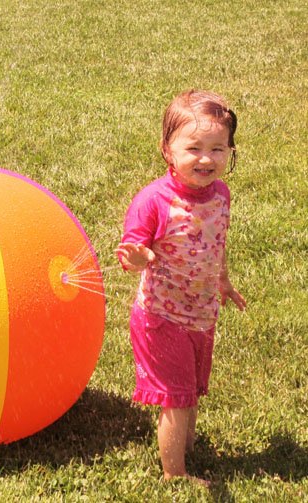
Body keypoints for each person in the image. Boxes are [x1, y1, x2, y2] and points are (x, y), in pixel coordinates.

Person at [116, 89, 247, 485]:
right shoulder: (154, 201)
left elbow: (216, 241)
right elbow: (129, 250)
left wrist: (222, 280)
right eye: (193, 148)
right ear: (166, 150)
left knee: (190, 388)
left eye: (218, 148)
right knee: (175, 397)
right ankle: (175, 475)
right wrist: (136, 257)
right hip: (161, 315)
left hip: (200, 311)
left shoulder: (220, 194)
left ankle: (187, 446)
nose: (206, 158)